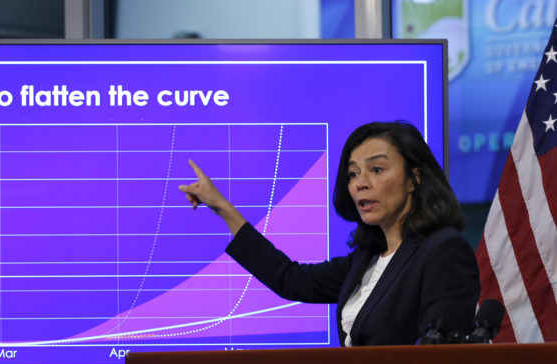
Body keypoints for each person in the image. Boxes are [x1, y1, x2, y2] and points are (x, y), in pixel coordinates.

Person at [178, 121, 480, 346]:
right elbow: (292, 280)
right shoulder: (366, 260)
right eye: (353, 173)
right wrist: (222, 208)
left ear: (414, 179)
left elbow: (441, 358)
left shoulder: (443, 250)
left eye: (376, 169)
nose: (360, 183)